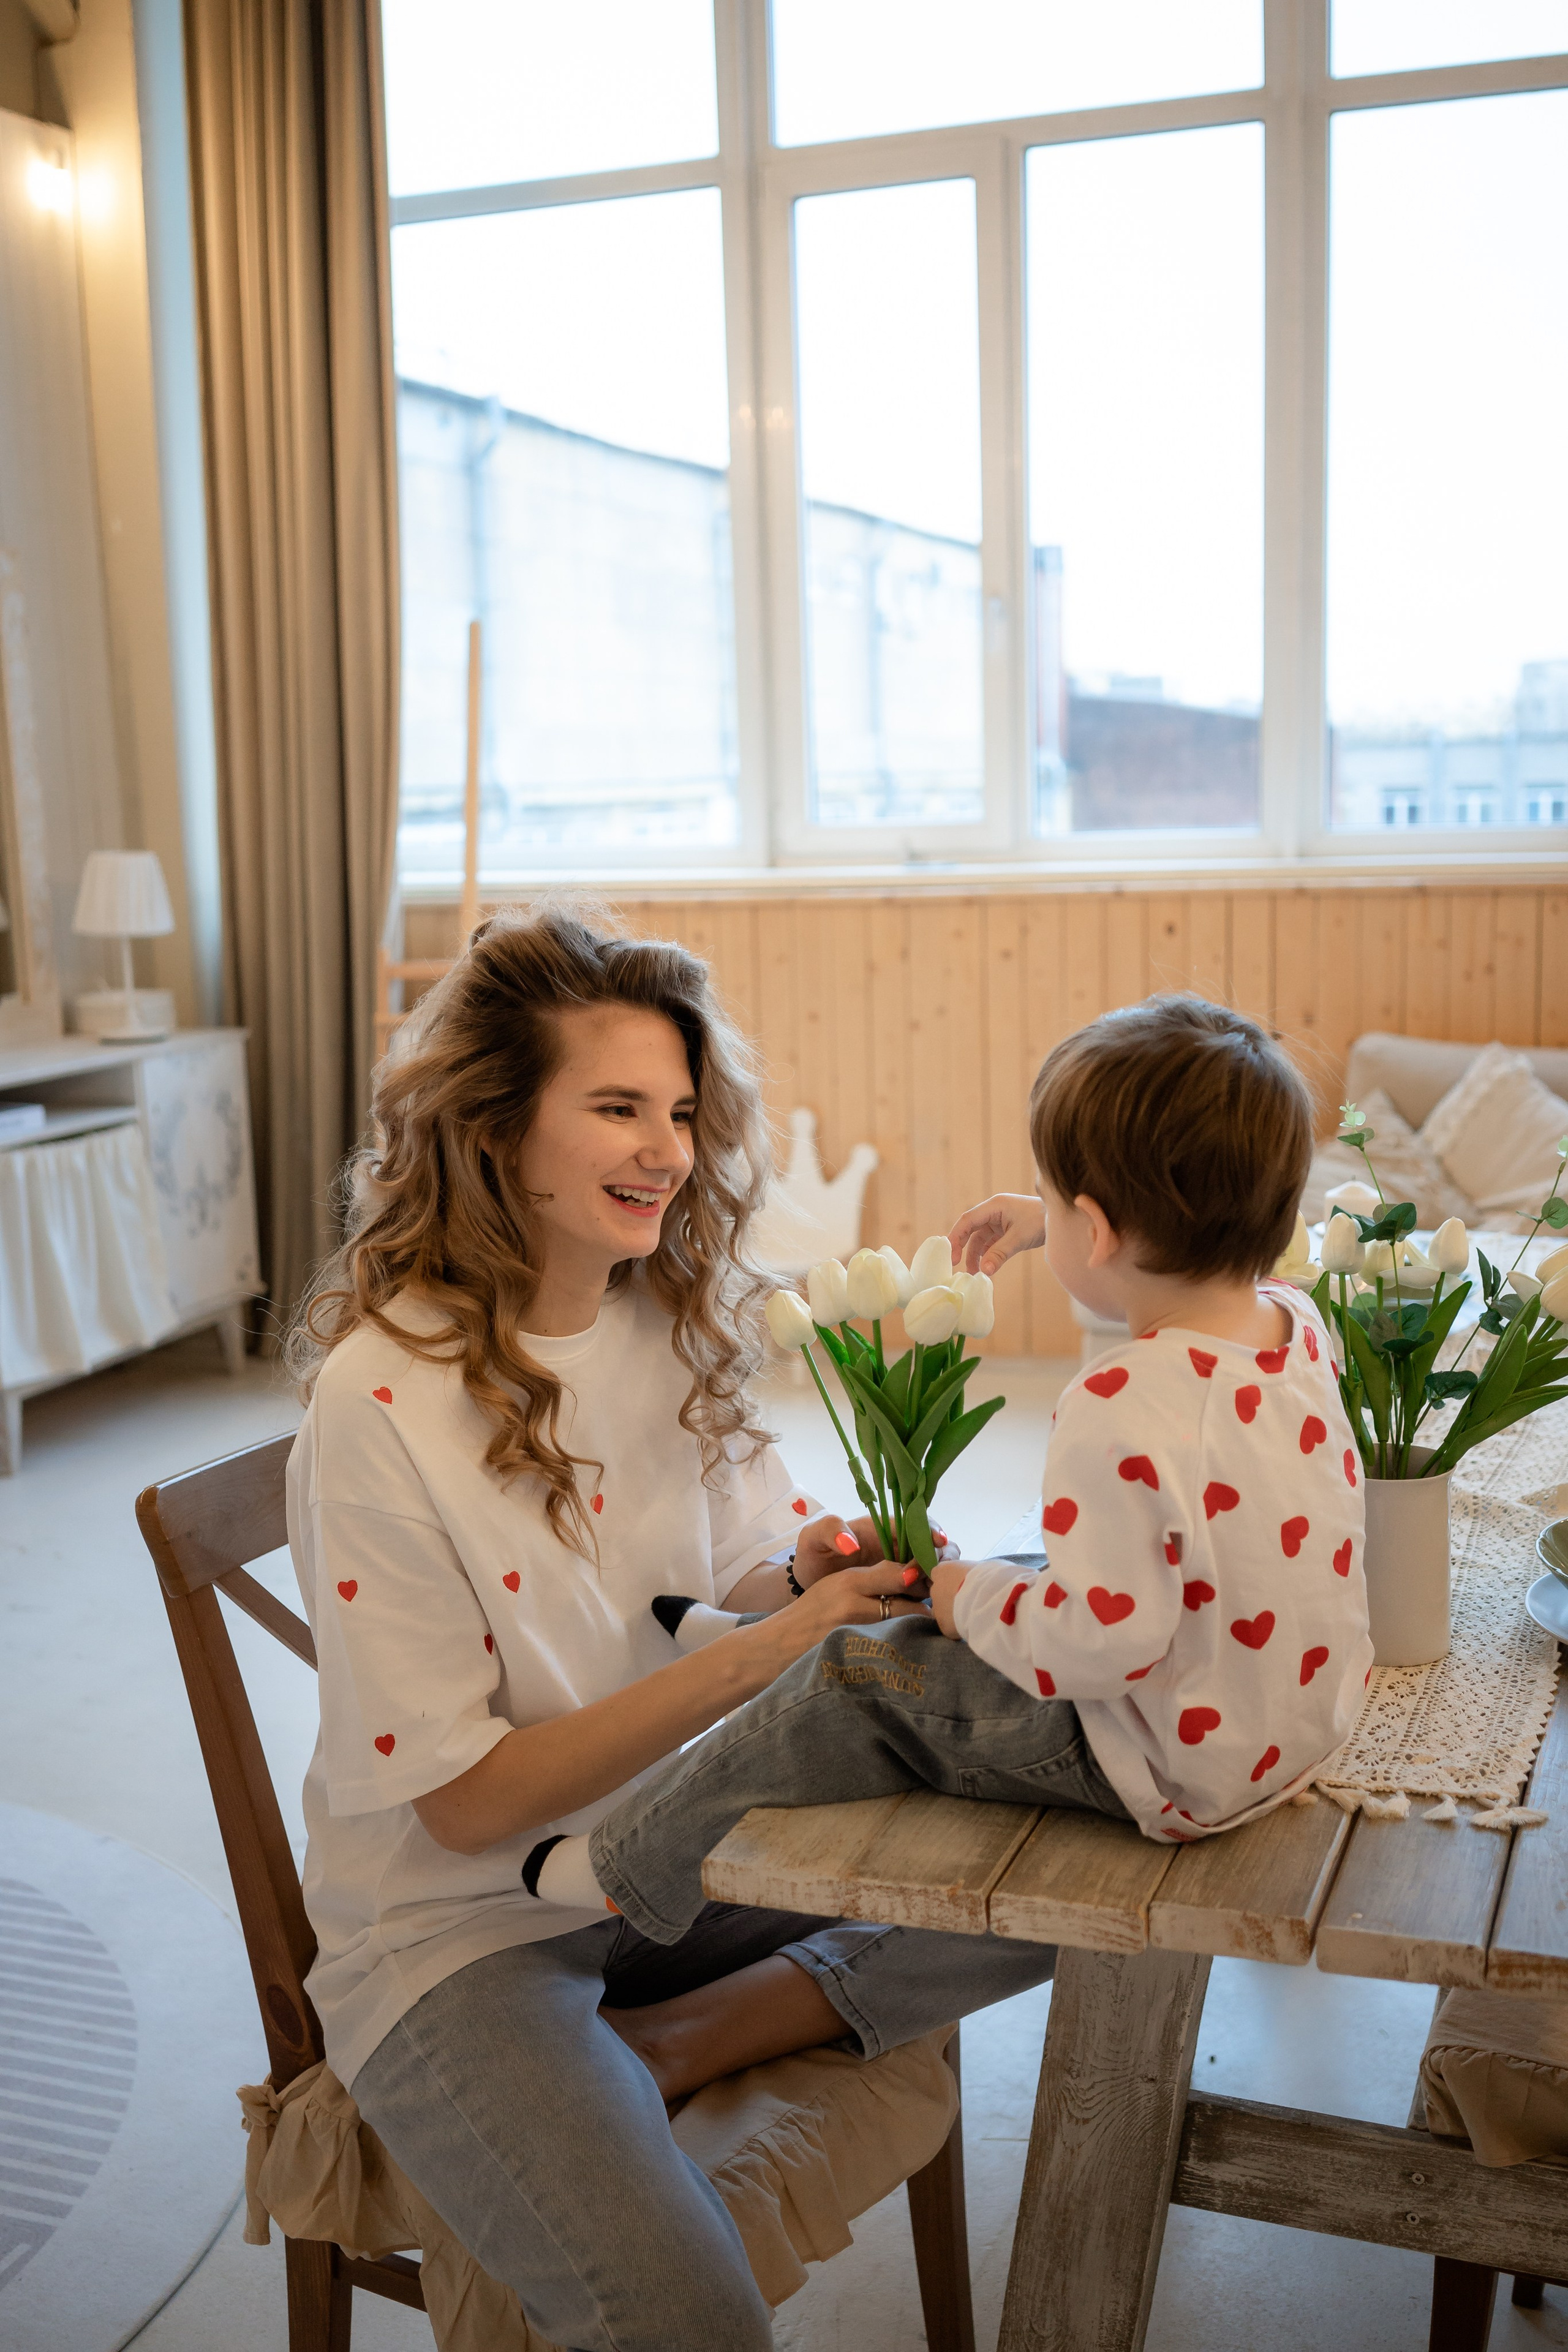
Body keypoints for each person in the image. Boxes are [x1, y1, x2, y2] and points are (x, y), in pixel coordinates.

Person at [282, 900, 1072, 2352]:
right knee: (689, 2322)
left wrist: (809, 1571)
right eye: (617, 1108)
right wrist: (770, 1646)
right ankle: (716, 2025)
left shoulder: (668, 1320)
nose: (668, 1148)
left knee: (1104, 1848)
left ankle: (688, 2036)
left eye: (683, 1112)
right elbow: (462, 1807)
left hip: (686, 1850)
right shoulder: (377, 1402)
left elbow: (721, 1576)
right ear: (497, 1128)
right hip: (467, 1938)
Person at [521, 997, 1373, 1942]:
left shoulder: (1121, 1402)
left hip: (1164, 1762)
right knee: (1013, 1580)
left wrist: (971, 1600)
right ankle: (739, 1631)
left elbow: (1105, 1645)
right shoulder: (1296, 1325)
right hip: (1284, 1724)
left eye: (1053, 1200)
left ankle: (622, 1865)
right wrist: (1059, 1221)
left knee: (860, 1675)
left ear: (1098, 1229)